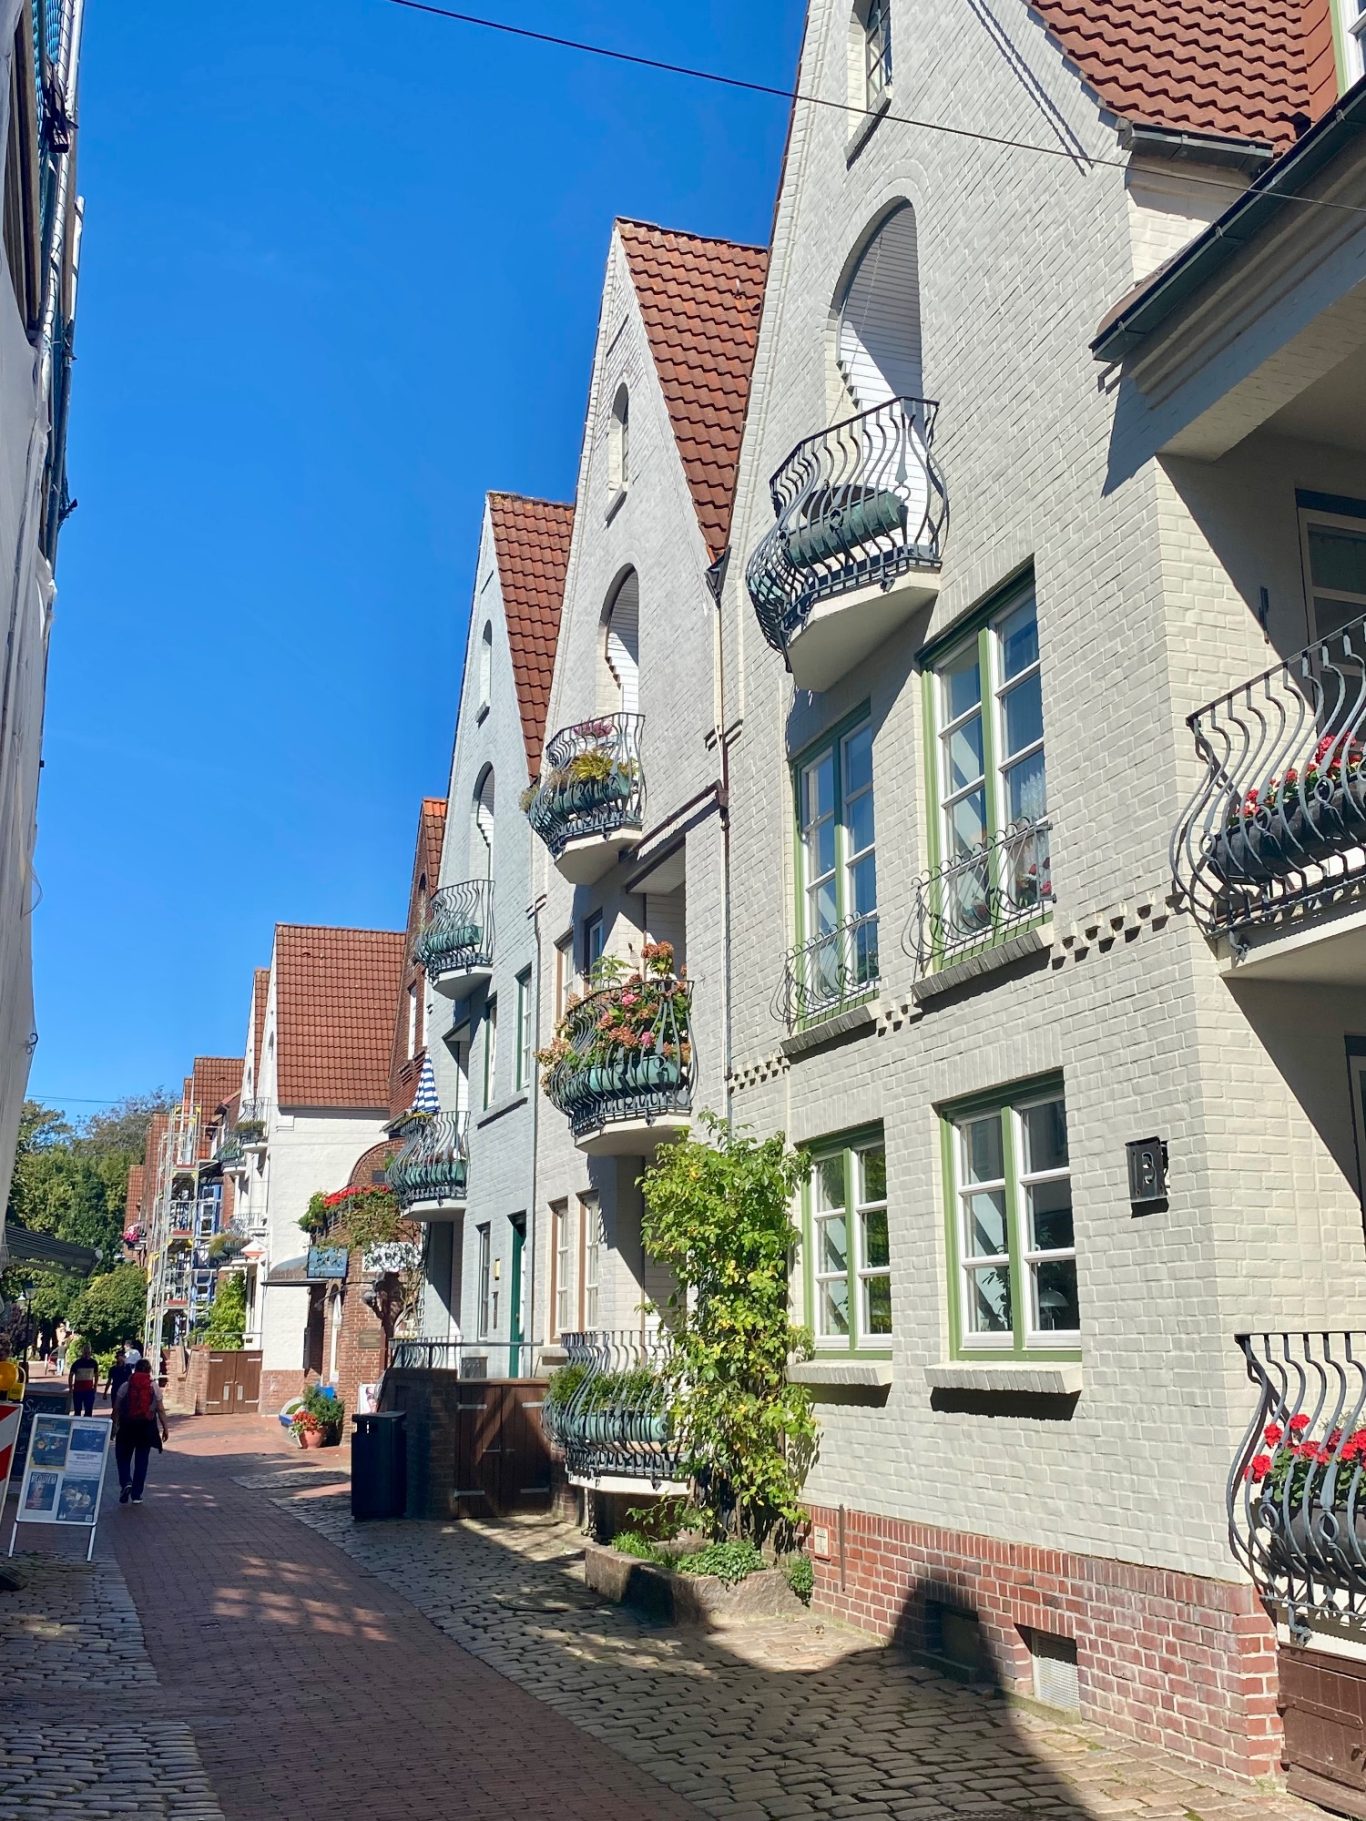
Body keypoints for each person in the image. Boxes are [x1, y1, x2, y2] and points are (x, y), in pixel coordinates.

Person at [113, 1360, 167, 1504]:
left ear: (135, 1370)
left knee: (123, 1457)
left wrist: (114, 1426)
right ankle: (137, 1494)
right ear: (149, 1371)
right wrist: (165, 1428)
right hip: (146, 1427)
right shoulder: (153, 1387)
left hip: (127, 1427)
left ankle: (126, 1482)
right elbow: (160, 1409)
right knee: (141, 1461)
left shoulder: (126, 1386)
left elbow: (116, 1408)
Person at [67, 1341, 99, 1417]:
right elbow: (71, 1375)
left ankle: (87, 1422)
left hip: (89, 1390)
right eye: (85, 1353)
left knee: (89, 1410)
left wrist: (95, 1386)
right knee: (77, 1410)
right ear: (83, 1353)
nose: (87, 1354)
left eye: (88, 1353)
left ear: (90, 1353)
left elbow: (96, 1375)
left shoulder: (93, 1363)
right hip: (78, 1390)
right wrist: (70, 1387)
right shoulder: (77, 1363)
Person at [106, 1340, 138, 1409]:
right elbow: (109, 1381)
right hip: (115, 1389)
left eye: (122, 1357)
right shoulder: (113, 1369)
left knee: (124, 1408)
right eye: (119, 1357)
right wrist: (105, 1392)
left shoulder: (127, 1368)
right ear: (116, 1358)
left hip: (125, 1390)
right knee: (115, 1407)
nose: (121, 1358)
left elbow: (130, 1379)